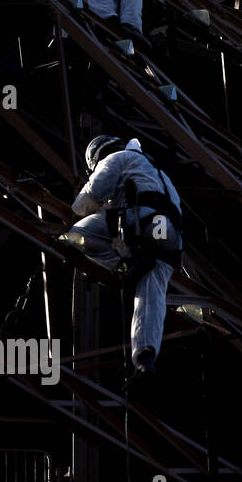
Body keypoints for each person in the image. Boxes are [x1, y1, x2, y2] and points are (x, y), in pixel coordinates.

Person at [62, 134, 183, 386]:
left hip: (139, 220)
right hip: (168, 237)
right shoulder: (160, 174)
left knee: (75, 236)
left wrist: (79, 208)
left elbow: (92, 194)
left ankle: (121, 265)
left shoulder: (117, 158)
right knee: (150, 296)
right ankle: (144, 357)